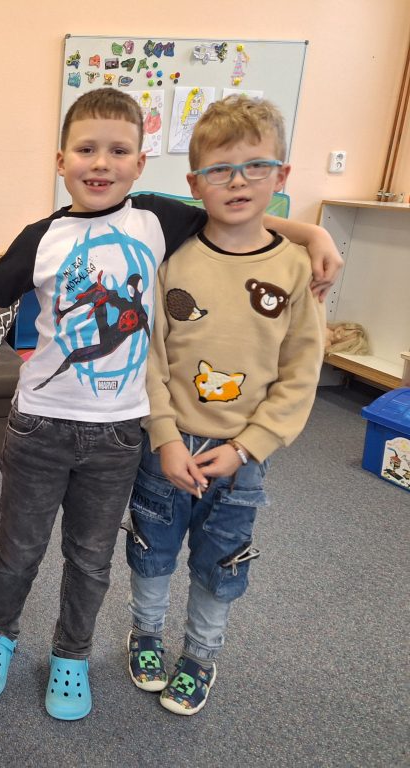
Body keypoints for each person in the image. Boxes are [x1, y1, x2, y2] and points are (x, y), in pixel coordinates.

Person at [0, 87, 343, 721]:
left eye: (119, 151)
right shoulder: (40, 237)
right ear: (61, 160)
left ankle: (73, 653)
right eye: (86, 149)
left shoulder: (158, 219)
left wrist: (312, 232)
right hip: (38, 426)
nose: (100, 163)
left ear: (141, 164)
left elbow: (236, 212)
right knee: (18, 548)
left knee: (90, 557)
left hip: (118, 435)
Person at [124, 95, 323, 715]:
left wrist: (248, 447)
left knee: (221, 563)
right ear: (194, 185)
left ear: (281, 176)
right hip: (168, 447)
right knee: (151, 551)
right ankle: (146, 636)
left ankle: (200, 656)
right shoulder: (172, 259)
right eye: (220, 170)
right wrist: (164, 436)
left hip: (241, 458)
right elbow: (150, 355)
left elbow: (300, 372)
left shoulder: (295, 268)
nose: (238, 182)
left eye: (255, 167)